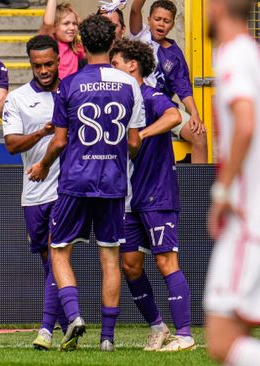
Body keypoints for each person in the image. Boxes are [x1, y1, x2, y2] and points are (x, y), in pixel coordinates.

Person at [27, 15, 144, 352]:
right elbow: (134, 143)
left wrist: (43, 164)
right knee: (110, 258)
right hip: (113, 182)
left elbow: (60, 141)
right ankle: (107, 339)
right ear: (112, 44)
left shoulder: (71, 84)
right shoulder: (129, 84)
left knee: (59, 251)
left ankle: (75, 316)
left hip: (76, 180)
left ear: (81, 45)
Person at [110, 38, 196, 351]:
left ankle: (185, 335)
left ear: (132, 64)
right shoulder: (118, 101)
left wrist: (142, 135)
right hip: (128, 198)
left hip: (157, 194)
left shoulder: (151, 95)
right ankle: (159, 328)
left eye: (116, 63)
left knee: (165, 261)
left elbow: (174, 116)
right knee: (130, 264)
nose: (112, 68)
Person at [2, 34, 67, 350]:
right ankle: (69, 323)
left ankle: (46, 330)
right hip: (34, 190)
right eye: (37, 65)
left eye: (48, 64)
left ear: (58, 60)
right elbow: (11, 145)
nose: (43, 70)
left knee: (56, 256)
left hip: (66, 190)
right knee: (48, 260)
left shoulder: (70, 92)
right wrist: (42, 131)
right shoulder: (17, 99)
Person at [204, 0, 260, 364]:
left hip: (246, 219)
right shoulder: (250, 53)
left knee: (222, 342)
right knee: (236, 335)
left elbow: (245, 122)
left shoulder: (233, 55)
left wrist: (223, 191)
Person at [129, 0, 208, 163]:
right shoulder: (140, 35)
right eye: (157, 19)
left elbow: (183, 87)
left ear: (172, 24)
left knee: (199, 134)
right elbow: (135, 10)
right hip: (135, 104)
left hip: (162, 109)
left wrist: (194, 113)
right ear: (149, 18)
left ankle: (198, 189)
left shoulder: (174, 54)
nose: (161, 24)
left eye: (166, 21)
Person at [38, 0, 85, 79]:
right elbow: (48, 23)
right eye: (66, 23)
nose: (72, 28)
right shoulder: (50, 43)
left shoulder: (76, 47)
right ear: (54, 27)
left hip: (71, 90)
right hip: (53, 89)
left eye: (74, 24)